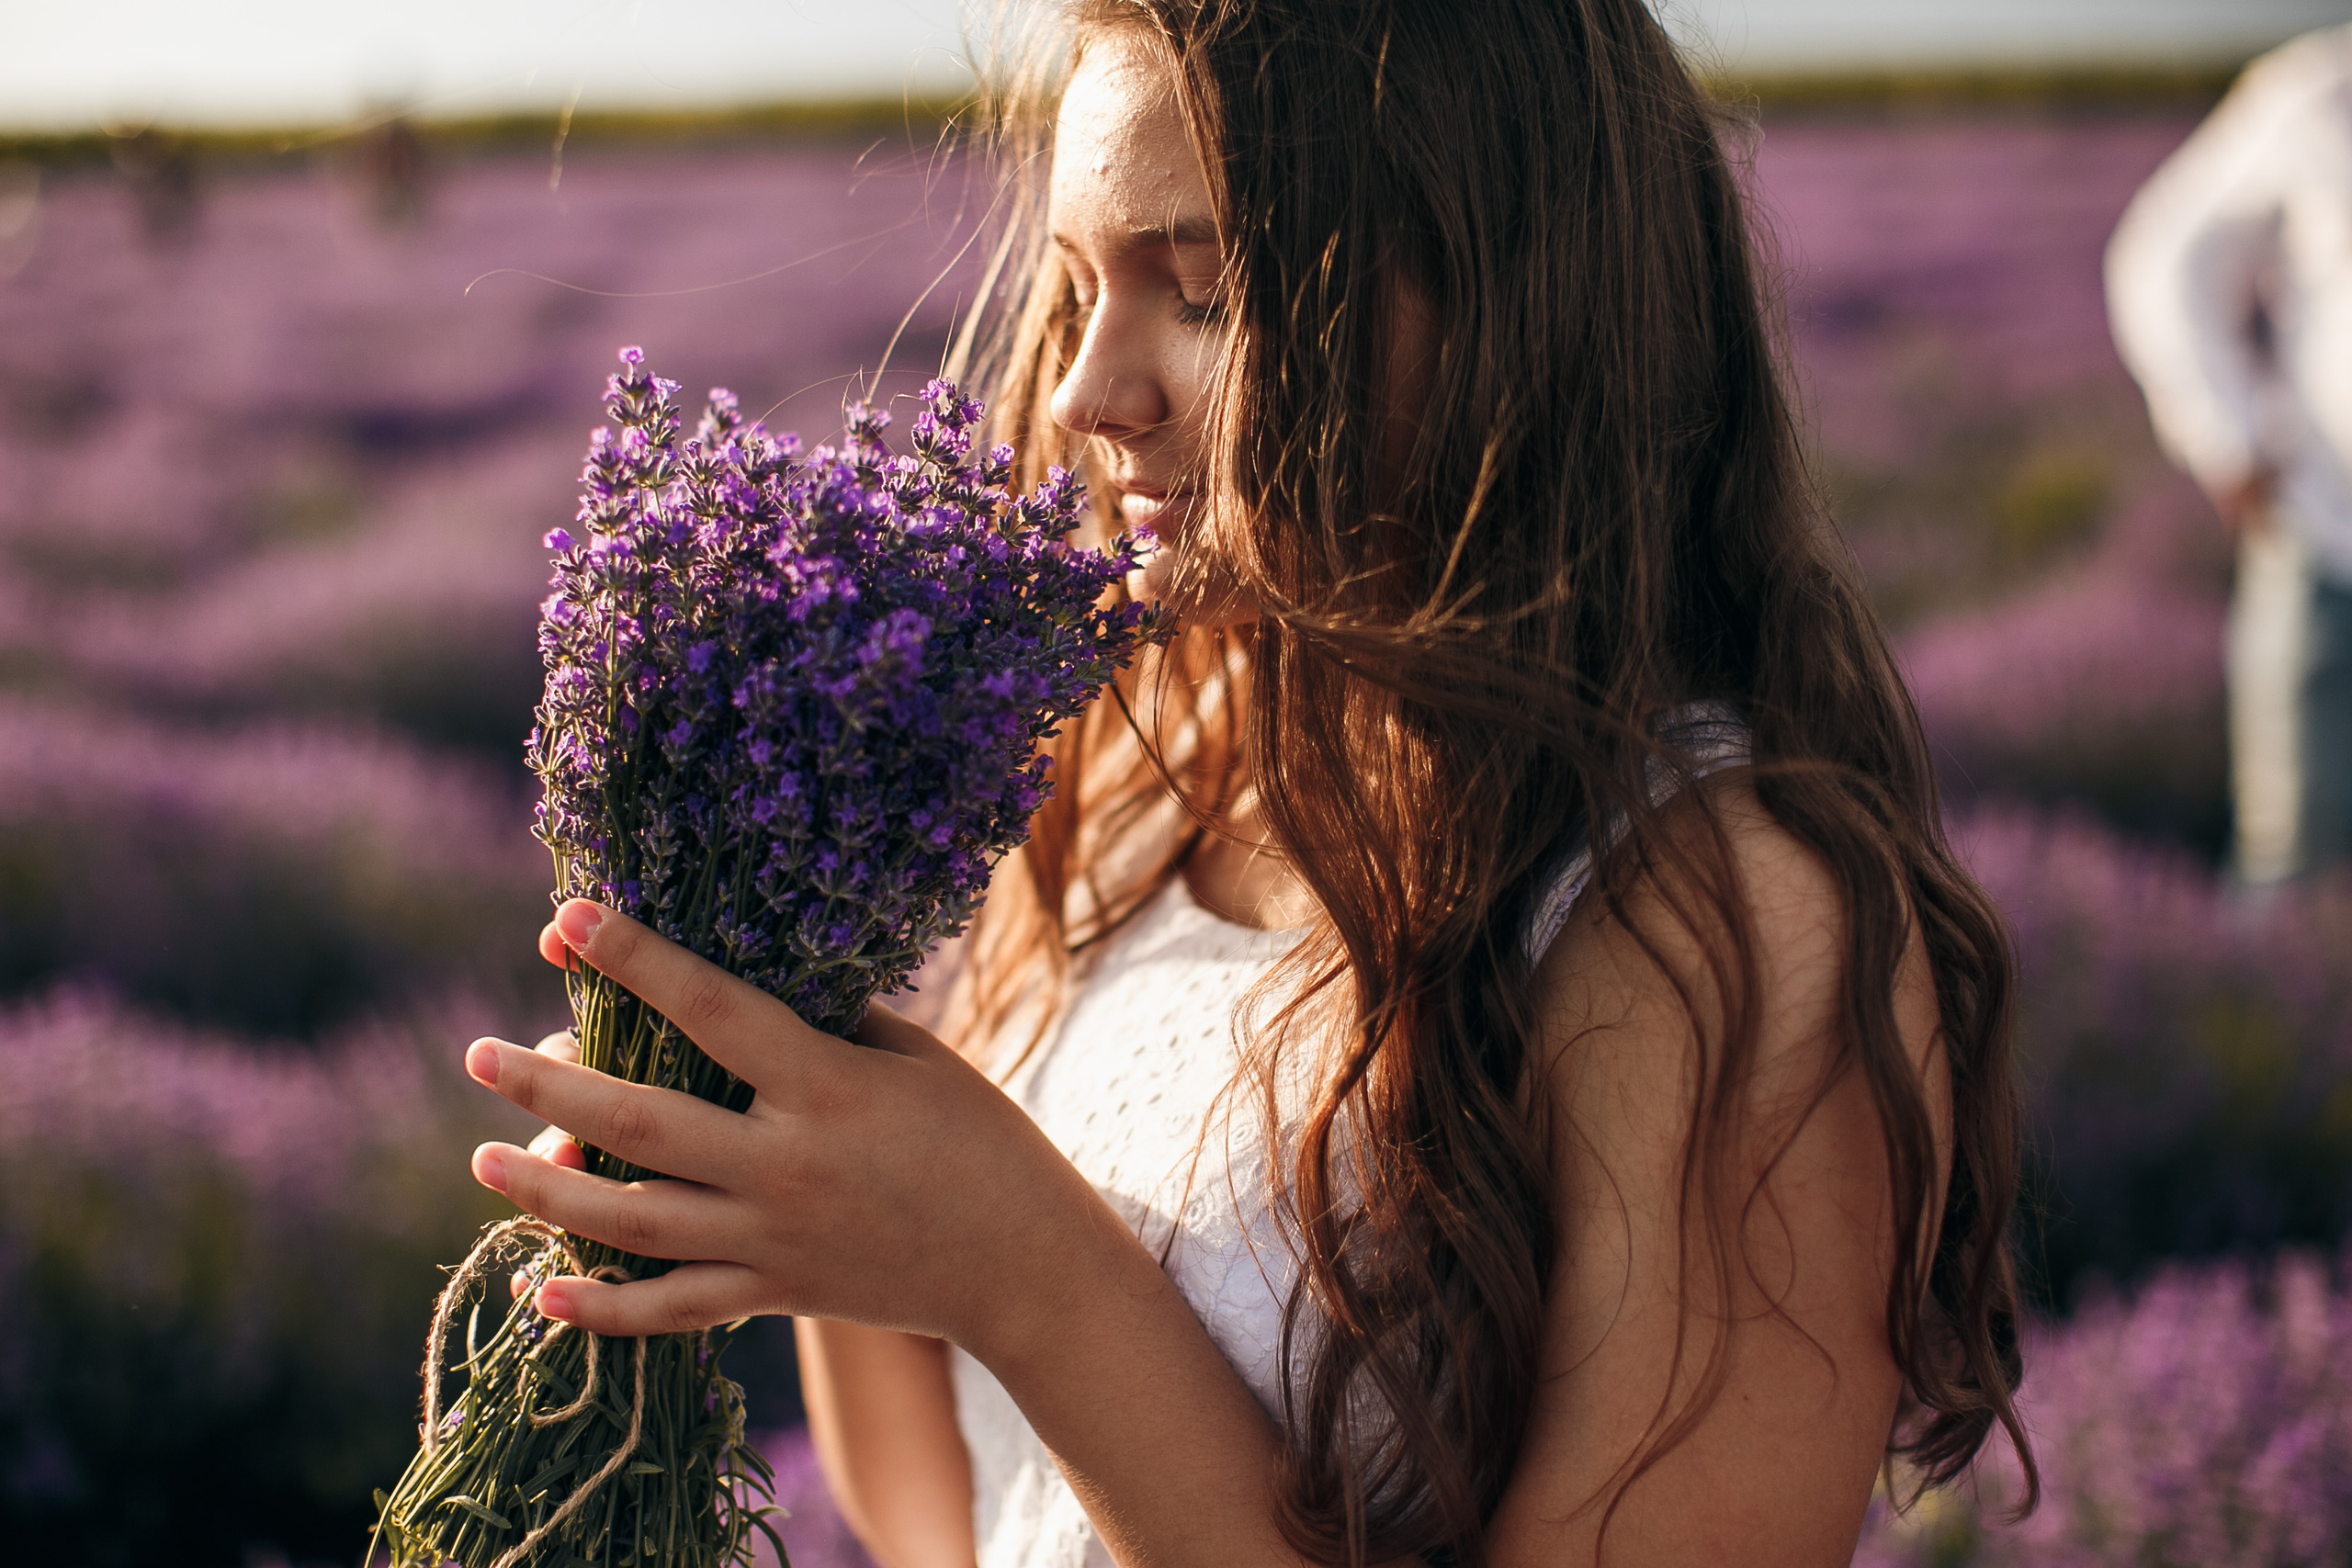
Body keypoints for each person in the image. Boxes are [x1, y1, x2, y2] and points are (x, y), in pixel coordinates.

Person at [458, 2, 2030, 1562]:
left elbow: (1024, 1292)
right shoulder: (1149, 752)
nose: (1084, 393)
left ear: (1515, 311)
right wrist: (787, 1140)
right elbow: (964, 1514)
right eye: (1075, 289)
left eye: (1207, 295)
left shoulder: (1725, 932)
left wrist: (1021, 1269)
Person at [2107, 22, 2352, 886]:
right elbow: (2163, 253)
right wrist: (2227, 436)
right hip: (2329, 536)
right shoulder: (2323, 90)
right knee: (2295, 846)